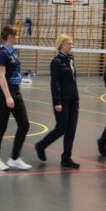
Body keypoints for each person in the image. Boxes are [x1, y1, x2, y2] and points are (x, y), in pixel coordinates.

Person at [34, 34, 80, 169]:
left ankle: (66, 158)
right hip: (62, 100)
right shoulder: (56, 62)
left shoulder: (71, 59)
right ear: (61, 45)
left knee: (71, 129)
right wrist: (57, 102)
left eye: (72, 43)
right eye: (69, 44)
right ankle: (41, 145)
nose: (71, 46)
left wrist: (76, 97)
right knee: (61, 128)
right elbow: (55, 84)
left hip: (74, 99)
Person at [0, 25, 32, 171]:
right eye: (16, 35)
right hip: (4, 94)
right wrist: (8, 96)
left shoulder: (13, 51)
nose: (18, 37)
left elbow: (13, 70)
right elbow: (1, 76)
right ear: (10, 37)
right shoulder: (2, 53)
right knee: (1, 126)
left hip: (16, 92)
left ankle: (14, 159)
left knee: (24, 124)